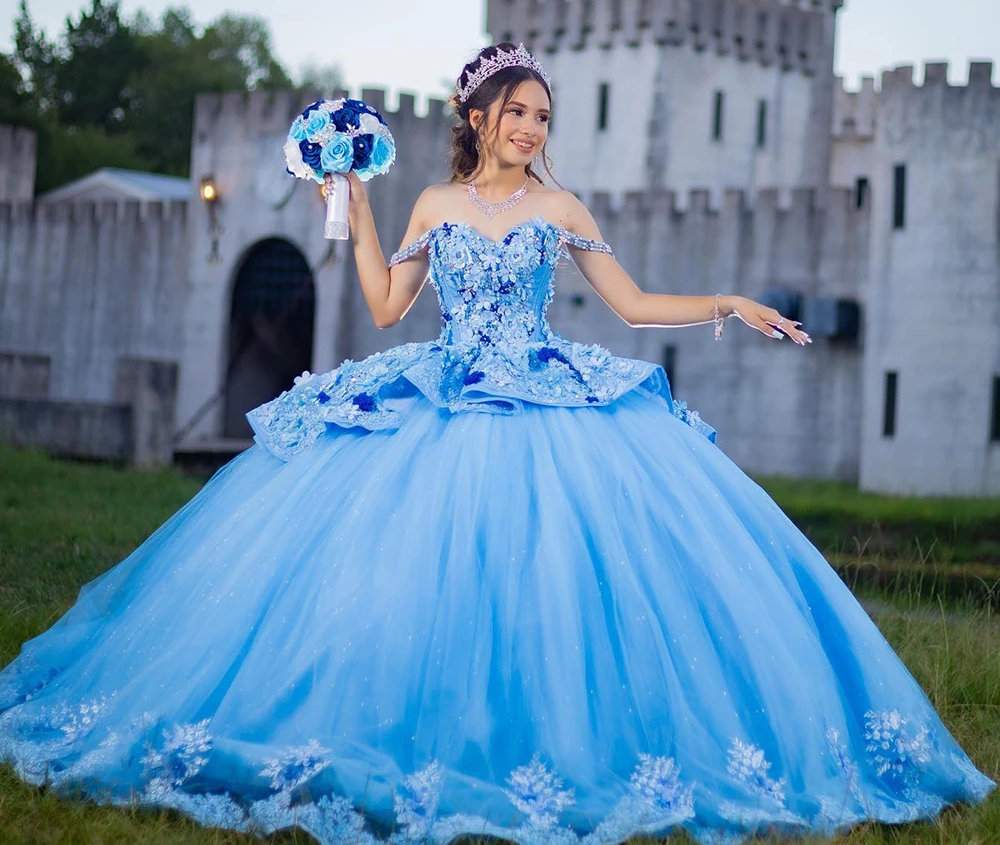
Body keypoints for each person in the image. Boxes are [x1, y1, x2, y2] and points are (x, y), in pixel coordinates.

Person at [0, 42, 993, 845]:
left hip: (546, 397)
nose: (531, 129)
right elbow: (389, 308)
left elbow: (635, 305)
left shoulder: (560, 210)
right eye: (516, 111)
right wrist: (353, 207)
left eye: (543, 117)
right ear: (475, 118)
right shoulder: (432, 207)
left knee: (552, 586)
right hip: (445, 392)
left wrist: (732, 302)